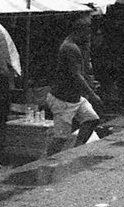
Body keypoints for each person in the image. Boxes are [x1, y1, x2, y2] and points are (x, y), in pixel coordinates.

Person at [44, 15, 108, 154]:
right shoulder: (70, 48)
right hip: (63, 99)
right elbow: (76, 75)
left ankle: (76, 149)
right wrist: (92, 94)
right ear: (80, 31)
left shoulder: (76, 47)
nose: (89, 36)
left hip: (75, 98)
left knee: (92, 119)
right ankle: (47, 161)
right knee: (60, 137)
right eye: (87, 32)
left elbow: (81, 71)